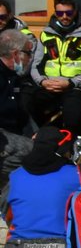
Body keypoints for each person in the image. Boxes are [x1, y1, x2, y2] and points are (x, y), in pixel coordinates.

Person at [31, 0, 81, 138]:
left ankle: (69, 145)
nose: (64, 17)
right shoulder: (45, 35)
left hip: (74, 86)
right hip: (50, 85)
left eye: (68, 13)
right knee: (27, 102)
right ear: (55, 13)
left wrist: (70, 82)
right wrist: (43, 81)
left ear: (75, 12)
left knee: (73, 114)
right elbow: (35, 65)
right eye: (60, 13)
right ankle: (38, 140)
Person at [1, 29, 37, 175]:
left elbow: (20, 112)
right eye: (28, 53)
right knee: (33, 153)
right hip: (3, 137)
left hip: (13, 133)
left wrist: (34, 132)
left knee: (43, 149)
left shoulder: (14, 77)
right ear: (16, 54)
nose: (30, 58)